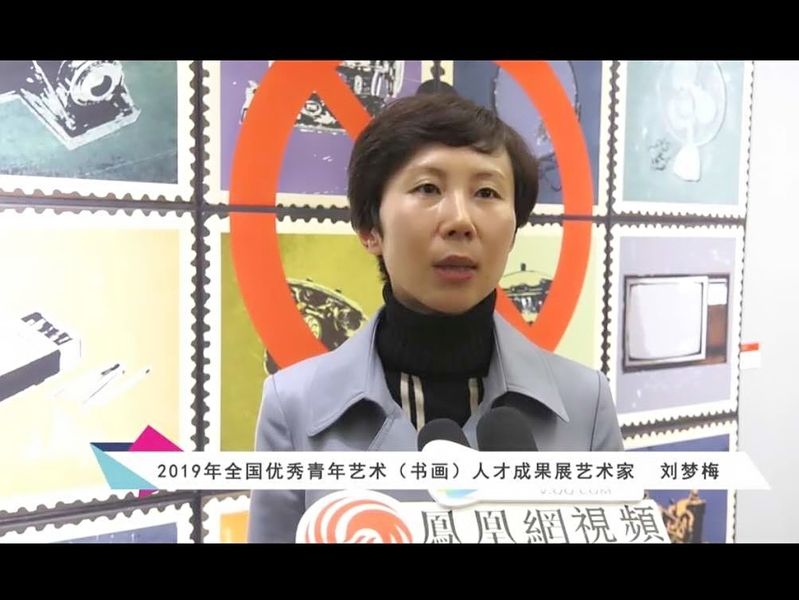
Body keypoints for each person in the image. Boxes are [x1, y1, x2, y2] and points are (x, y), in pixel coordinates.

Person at [246, 91, 625, 543]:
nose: (460, 220)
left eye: (486, 192)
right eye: (428, 188)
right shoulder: (292, 406)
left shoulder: (586, 403)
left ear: (513, 230)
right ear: (370, 228)